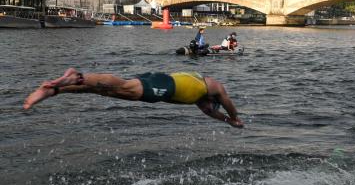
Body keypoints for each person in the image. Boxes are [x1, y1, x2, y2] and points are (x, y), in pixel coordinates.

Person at [23, 68, 244, 128]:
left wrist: (227, 121)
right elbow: (226, 100)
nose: (208, 108)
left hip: (160, 84)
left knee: (105, 90)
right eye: (210, 105)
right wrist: (234, 117)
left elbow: (214, 112)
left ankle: (55, 91)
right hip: (164, 85)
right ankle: (77, 76)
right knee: (122, 86)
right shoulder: (210, 86)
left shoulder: (200, 98)